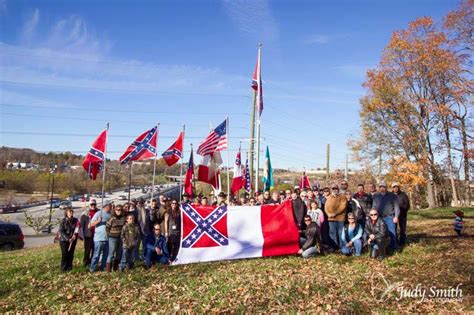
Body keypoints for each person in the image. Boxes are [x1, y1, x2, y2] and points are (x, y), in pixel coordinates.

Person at [372, 181, 400, 251]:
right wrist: (373, 216)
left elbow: (396, 207)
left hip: (389, 217)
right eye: (380, 187)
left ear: (386, 187)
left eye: (383, 186)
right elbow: (374, 207)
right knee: (380, 233)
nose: (382, 188)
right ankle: (382, 248)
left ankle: (393, 248)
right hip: (379, 218)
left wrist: (396, 217)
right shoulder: (376, 196)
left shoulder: (392, 195)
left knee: (392, 233)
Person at [89, 201, 112, 272]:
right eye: (109, 206)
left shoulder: (110, 215)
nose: (110, 207)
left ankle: (103, 267)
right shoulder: (98, 213)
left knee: (105, 255)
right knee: (96, 255)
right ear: (106, 206)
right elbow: (90, 225)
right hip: (99, 238)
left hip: (107, 238)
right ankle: (92, 268)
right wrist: (98, 221)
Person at [325, 184, 347, 250]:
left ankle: (342, 247)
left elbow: (343, 206)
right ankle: (334, 247)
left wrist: (335, 213)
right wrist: (328, 213)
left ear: (338, 189)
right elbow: (325, 207)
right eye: (333, 189)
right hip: (331, 218)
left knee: (340, 233)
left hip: (340, 218)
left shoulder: (342, 196)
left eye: (336, 189)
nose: (334, 190)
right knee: (332, 233)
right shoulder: (329, 197)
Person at [58, 207, 79, 272]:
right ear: (66, 213)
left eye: (72, 211)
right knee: (65, 254)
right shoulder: (63, 221)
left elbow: (77, 228)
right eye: (70, 212)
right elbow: (61, 231)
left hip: (73, 240)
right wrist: (68, 238)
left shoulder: (76, 220)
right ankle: (63, 268)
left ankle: (69, 267)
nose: (71, 213)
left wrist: (75, 235)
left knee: (71, 254)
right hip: (64, 240)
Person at [79, 199, 99, 267]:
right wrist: (81, 236)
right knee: (87, 251)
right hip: (88, 235)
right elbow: (81, 225)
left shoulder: (99, 212)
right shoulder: (85, 214)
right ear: (89, 205)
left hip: (97, 235)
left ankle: (92, 263)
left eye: (94, 204)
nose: (93, 206)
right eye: (92, 204)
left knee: (95, 250)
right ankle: (86, 263)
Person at [106, 204, 126, 272]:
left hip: (120, 238)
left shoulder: (123, 218)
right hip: (112, 238)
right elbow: (107, 228)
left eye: (120, 210)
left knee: (118, 253)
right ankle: (108, 269)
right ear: (115, 211)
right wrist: (109, 235)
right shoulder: (112, 218)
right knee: (111, 253)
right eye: (117, 210)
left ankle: (115, 268)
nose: (119, 211)